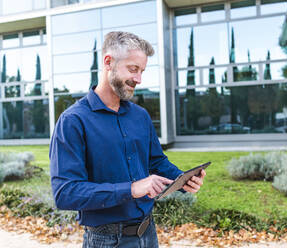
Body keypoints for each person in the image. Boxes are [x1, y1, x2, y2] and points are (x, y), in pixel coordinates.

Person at [49, 31, 206, 248]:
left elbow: (156, 162)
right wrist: (132, 189)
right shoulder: (73, 121)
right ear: (108, 62)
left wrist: (182, 180)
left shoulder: (140, 115)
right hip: (105, 241)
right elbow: (65, 193)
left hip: (149, 234)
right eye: (133, 69)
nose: (138, 79)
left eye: (142, 71)